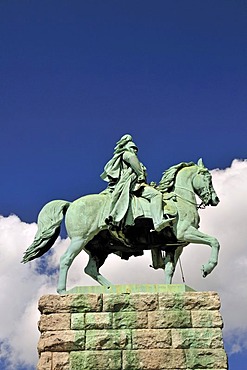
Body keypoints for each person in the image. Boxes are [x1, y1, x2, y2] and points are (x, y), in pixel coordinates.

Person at [101, 134, 169, 232]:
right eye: (133, 148)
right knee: (156, 195)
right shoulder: (128, 154)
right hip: (133, 186)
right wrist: (141, 175)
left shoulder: (121, 156)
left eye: (136, 149)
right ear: (128, 147)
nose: (135, 151)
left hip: (133, 185)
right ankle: (158, 222)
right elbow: (136, 167)